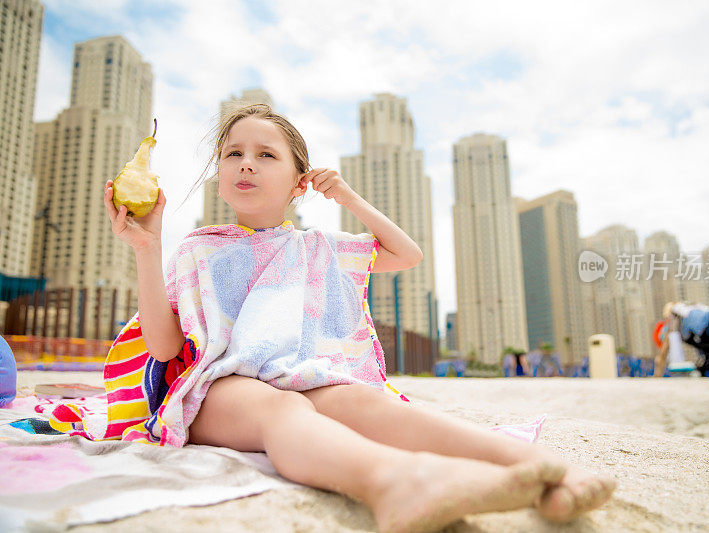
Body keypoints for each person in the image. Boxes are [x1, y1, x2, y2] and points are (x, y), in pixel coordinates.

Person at [103, 104, 615, 531]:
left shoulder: (322, 248)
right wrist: (148, 249)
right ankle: (394, 482)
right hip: (220, 391)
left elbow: (406, 253)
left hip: (304, 377)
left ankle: (542, 470)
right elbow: (167, 350)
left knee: (367, 404)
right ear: (220, 178)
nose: (246, 164)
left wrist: (347, 197)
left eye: (265, 155)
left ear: (299, 183)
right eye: (233, 154)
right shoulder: (200, 250)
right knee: (279, 411)